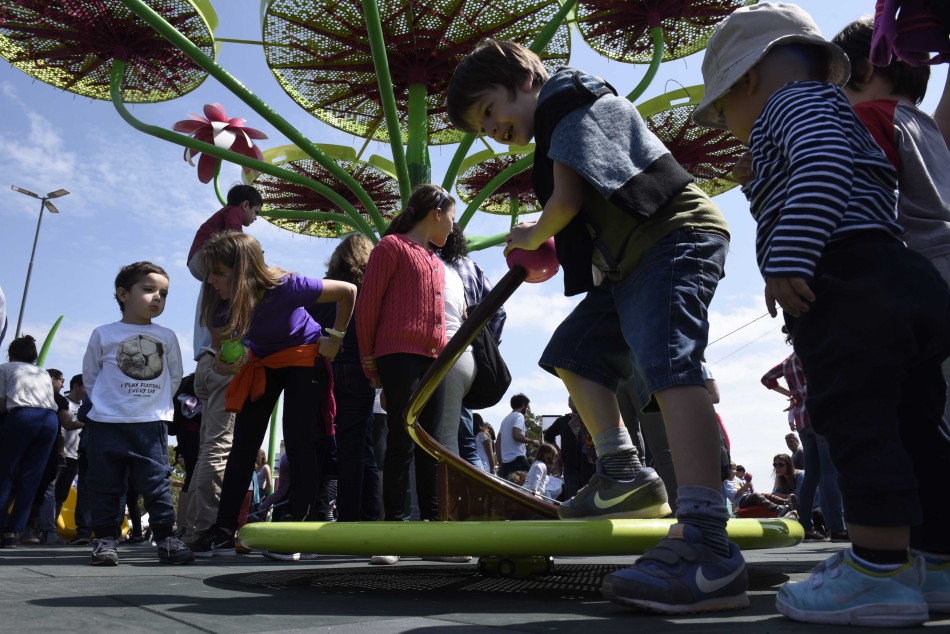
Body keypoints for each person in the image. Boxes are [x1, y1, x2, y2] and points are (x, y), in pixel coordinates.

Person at [448, 37, 734, 613]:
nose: (490, 130)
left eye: (488, 111)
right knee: (574, 353)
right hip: (630, 261)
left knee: (667, 364)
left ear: (522, 80)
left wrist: (531, 234)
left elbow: (569, 199)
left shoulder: (564, 95)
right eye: (479, 126)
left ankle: (707, 536)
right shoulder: (554, 121)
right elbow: (588, 203)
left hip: (674, 238)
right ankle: (623, 473)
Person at [693, 3, 950, 626]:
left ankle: (876, 573)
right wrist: (762, 184)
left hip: (848, 276)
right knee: (916, 424)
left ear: (749, 80)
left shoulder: (789, 104)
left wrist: (789, 257)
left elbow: (823, 168)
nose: (729, 126)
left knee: (857, 419)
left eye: (724, 107)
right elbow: (840, 170)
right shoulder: (834, 110)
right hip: (900, 276)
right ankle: (934, 562)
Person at [188, 231, 355, 557]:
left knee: (299, 442)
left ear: (243, 271)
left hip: (304, 356)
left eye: (218, 273)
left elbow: (348, 291)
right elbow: (225, 355)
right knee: (243, 445)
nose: (210, 280)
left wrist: (334, 338)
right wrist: (227, 363)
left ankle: (295, 530)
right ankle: (223, 530)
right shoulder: (220, 306)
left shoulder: (286, 286)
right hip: (264, 362)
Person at [833, 16, 950, 434]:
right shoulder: (924, 125)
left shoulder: (866, 118)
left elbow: (859, 192)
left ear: (864, 70)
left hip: (925, 276)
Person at [356, 184, 455, 529]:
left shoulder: (436, 262)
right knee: (402, 439)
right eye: (452, 218)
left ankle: (433, 523)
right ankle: (394, 526)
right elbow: (368, 305)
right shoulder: (391, 247)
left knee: (432, 443)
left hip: (434, 360)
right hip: (399, 354)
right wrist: (369, 358)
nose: (453, 227)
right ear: (436, 213)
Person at [81, 262, 191, 566]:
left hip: (150, 423)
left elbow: (175, 376)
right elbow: (90, 376)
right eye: (148, 289)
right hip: (106, 424)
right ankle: (105, 539)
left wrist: (152, 406)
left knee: (156, 483)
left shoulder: (167, 336)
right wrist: (107, 405)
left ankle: (166, 539)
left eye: (164, 293)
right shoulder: (103, 334)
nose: (157, 297)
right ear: (122, 293)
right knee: (104, 484)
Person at [183, 184, 262, 547]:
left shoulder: (211, 293)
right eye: (255, 213)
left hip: (205, 364)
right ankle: (207, 528)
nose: (253, 220)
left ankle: (196, 525)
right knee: (218, 449)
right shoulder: (226, 283)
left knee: (208, 448)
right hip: (220, 365)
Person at [310, 234, 380, 523]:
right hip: (358, 371)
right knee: (359, 449)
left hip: (322, 373)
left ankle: (313, 511)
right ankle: (357, 517)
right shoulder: (371, 292)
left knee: (317, 445)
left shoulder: (322, 292)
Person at [437, 223, 507, 465]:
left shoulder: (434, 264)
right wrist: (486, 346)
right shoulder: (472, 267)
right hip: (471, 359)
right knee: (466, 439)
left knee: (444, 436)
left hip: (444, 354)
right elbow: (499, 312)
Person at [762, 346, 845, 542]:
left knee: (812, 475)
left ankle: (807, 526)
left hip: (802, 420)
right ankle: (837, 528)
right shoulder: (810, 354)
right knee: (829, 471)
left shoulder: (788, 361)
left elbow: (767, 379)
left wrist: (791, 395)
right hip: (819, 414)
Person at [0, 336, 60, 548]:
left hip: (22, 417)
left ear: (11, 354)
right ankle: (13, 533)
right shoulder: (42, 372)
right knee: (30, 479)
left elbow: (1, 404)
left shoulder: (5, 368)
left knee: (6, 474)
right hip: (49, 421)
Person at [543, 398, 595, 499]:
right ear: (569, 404)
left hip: (590, 468)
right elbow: (548, 436)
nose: (575, 402)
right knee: (572, 500)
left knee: (589, 498)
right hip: (570, 468)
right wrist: (558, 451)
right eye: (572, 400)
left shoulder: (591, 419)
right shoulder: (563, 421)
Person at [497, 393, 538, 478]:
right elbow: (516, 435)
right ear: (523, 405)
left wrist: (500, 464)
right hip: (517, 460)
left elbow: (497, 443)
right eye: (527, 406)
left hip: (506, 463)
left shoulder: (505, 420)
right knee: (530, 484)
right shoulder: (519, 416)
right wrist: (532, 441)